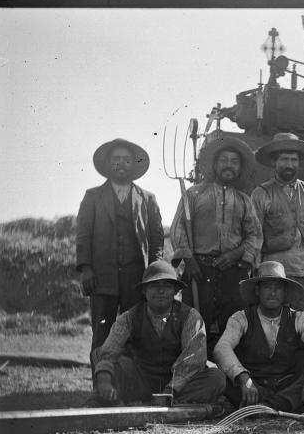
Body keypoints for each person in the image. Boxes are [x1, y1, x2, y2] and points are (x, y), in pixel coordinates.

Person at [170, 134, 263, 354]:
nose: (228, 165)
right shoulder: (193, 195)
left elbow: (255, 236)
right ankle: (194, 373)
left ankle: (228, 378)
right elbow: (178, 228)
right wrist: (189, 260)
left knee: (232, 327)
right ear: (214, 165)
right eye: (224, 160)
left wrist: (235, 255)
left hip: (233, 274)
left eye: (234, 161)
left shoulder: (245, 200)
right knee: (194, 325)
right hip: (199, 272)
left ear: (239, 168)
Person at [89, 261, 226, 407]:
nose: (161, 291)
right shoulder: (129, 317)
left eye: (166, 286)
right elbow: (108, 350)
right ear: (144, 291)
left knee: (216, 378)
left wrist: (170, 390)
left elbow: (193, 360)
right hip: (141, 381)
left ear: (175, 291)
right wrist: (104, 376)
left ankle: (168, 402)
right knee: (120, 365)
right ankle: (136, 401)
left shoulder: (190, 316)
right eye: (154, 286)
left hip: (177, 385)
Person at [76, 138, 164, 364]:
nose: (122, 164)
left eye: (127, 160)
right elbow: (83, 235)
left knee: (135, 333)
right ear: (108, 164)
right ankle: (100, 389)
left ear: (134, 165)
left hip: (136, 279)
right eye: (116, 159)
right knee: (102, 334)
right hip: (102, 278)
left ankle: (131, 388)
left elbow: (156, 240)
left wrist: (153, 274)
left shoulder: (147, 198)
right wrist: (86, 268)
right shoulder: (93, 196)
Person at [213, 261, 304, 413]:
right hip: (254, 386)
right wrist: (243, 377)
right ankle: (279, 406)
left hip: (288, 386)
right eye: (267, 287)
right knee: (220, 378)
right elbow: (222, 348)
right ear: (257, 291)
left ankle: (267, 408)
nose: (272, 292)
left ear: (285, 292)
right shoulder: (241, 318)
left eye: (278, 287)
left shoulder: (299, 318)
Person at [251, 133, 304, 319]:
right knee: (276, 320)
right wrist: (255, 268)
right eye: (284, 159)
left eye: (294, 160)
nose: (289, 165)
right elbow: (254, 235)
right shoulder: (261, 193)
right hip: (274, 271)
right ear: (274, 162)